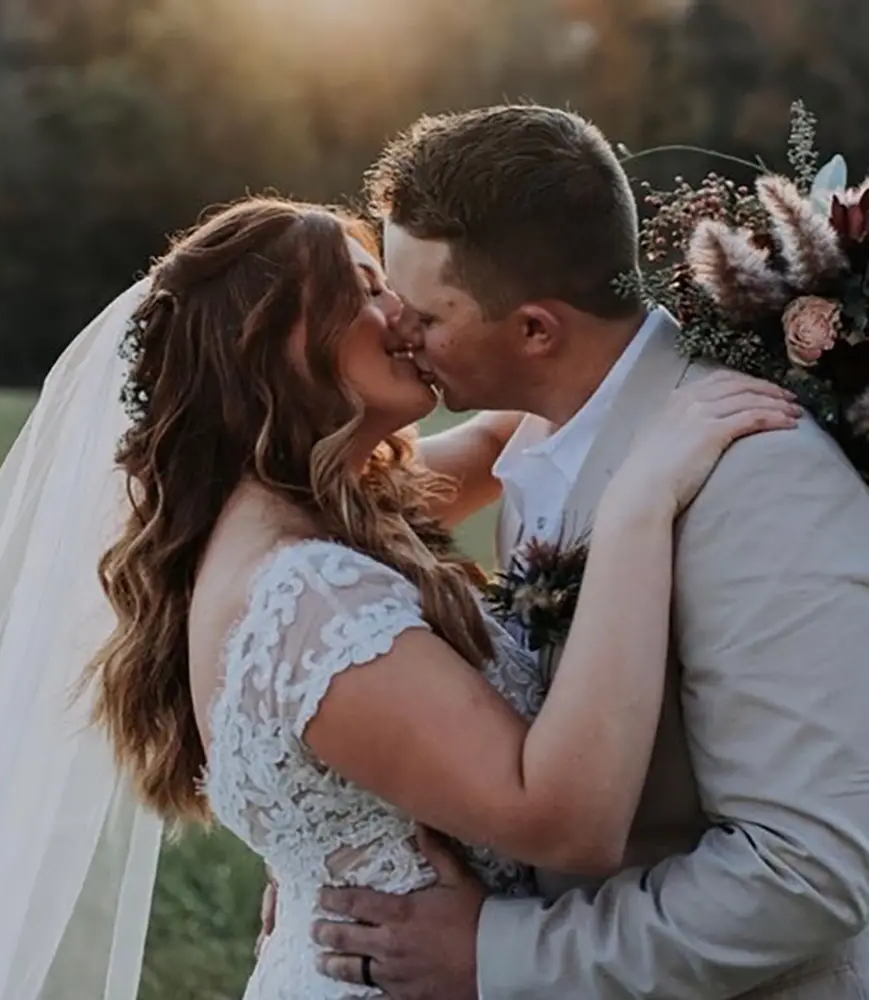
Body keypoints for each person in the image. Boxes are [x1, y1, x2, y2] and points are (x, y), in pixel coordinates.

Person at [0, 194, 795, 1000]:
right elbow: (567, 823)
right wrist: (638, 507)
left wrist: (707, 308)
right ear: (267, 345)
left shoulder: (312, 510)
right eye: (365, 289)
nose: (402, 313)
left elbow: (510, 426)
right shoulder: (310, 594)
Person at [312, 106, 869, 999]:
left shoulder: (757, 476)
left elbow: (805, 873)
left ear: (535, 329)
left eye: (425, 314)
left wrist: (500, 956)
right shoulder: (533, 432)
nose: (398, 333)